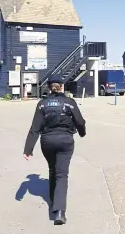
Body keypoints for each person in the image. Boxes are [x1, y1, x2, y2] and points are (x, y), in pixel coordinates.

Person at [23, 74, 86, 225]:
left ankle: (52, 201)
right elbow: (80, 121)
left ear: (48, 87)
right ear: (62, 86)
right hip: (65, 141)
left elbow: (35, 128)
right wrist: (82, 133)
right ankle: (59, 212)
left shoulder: (42, 104)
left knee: (52, 170)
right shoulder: (69, 102)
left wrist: (28, 149)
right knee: (62, 174)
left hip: (47, 141)